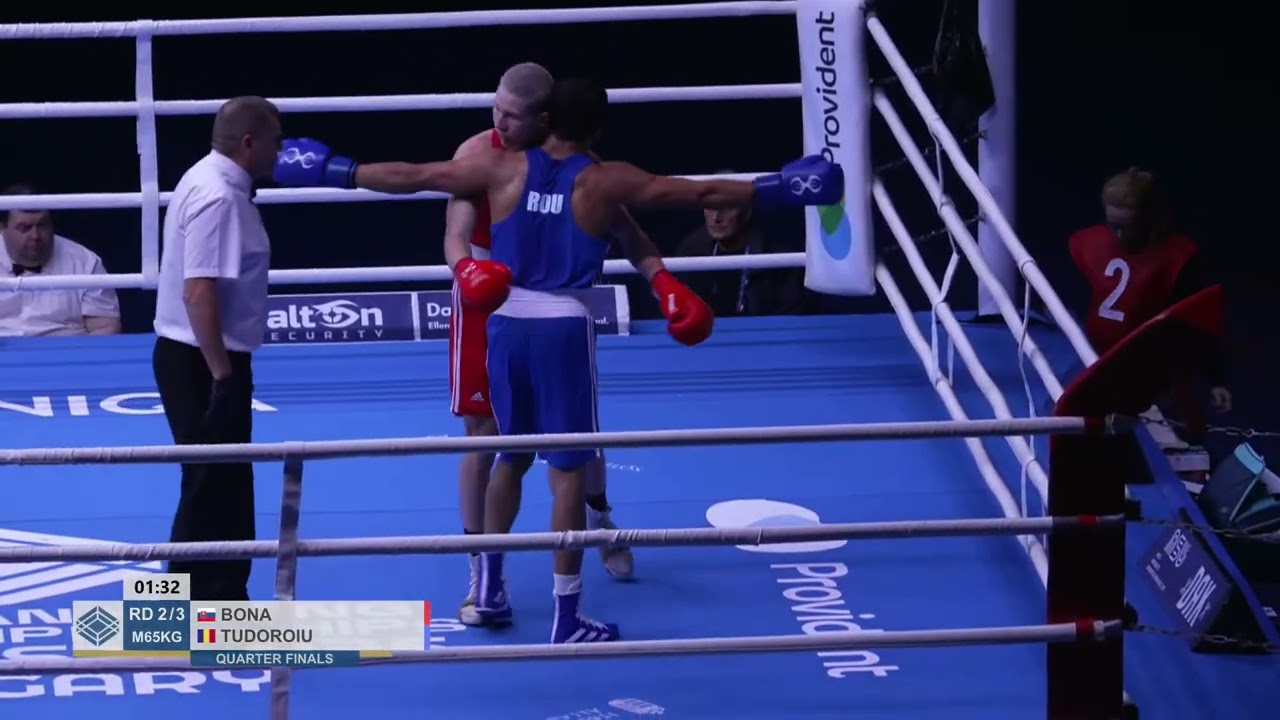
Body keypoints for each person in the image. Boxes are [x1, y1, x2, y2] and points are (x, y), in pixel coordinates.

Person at [272, 77, 842, 642]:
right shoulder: (602, 179)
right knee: (566, 473)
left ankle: (490, 586)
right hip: (561, 327)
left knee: (508, 459)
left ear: (543, 119)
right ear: (595, 128)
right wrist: (777, 190)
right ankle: (567, 617)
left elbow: (415, 177)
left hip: (504, 324)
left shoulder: (501, 167)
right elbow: (693, 193)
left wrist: (335, 171)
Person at [442, 64, 637, 629]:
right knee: (486, 435)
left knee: (577, 440)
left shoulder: (574, 167)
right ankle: (483, 579)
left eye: (513, 115)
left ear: (543, 118)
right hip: (483, 298)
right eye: (495, 108)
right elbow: (454, 234)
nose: (500, 122)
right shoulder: (478, 151)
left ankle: (602, 522)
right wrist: (467, 271)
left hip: (547, 305)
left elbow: (625, 222)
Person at [152, 96, 282, 601]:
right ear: (249, 143)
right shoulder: (219, 196)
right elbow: (198, 291)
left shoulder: (210, 177)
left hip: (197, 355)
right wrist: (223, 376)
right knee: (210, 482)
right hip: (201, 359)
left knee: (220, 481)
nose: (281, 150)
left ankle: (218, 594)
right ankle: (196, 601)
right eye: (275, 139)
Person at [1068, 167, 1231, 438]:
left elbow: (1195, 321)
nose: (1118, 236)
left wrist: (1216, 380)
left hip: (1154, 370)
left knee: (1179, 440)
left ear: (1149, 219)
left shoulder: (1178, 258)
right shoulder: (1090, 242)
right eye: (1113, 226)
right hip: (1098, 360)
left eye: (1126, 227)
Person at [0, 183, 122, 337]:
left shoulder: (85, 262)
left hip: (68, 352)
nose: (35, 236)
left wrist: (79, 359)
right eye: (24, 227)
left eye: (42, 225)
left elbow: (105, 327)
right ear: (2, 228)